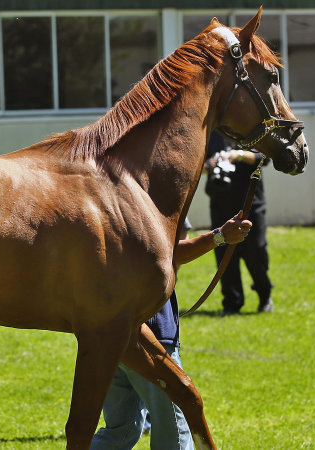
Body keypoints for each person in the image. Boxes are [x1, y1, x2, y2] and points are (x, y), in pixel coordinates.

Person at [91, 215, 252, 450]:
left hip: (105, 333)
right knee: (175, 427)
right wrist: (219, 236)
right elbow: (166, 255)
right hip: (149, 333)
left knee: (122, 429)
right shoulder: (137, 199)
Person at [204, 130, 273, 315]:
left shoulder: (249, 128)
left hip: (250, 203)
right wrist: (211, 164)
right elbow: (198, 165)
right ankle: (232, 303)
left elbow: (264, 158)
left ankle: (264, 295)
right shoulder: (212, 132)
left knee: (256, 251)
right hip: (220, 202)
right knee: (224, 255)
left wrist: (239, 155)